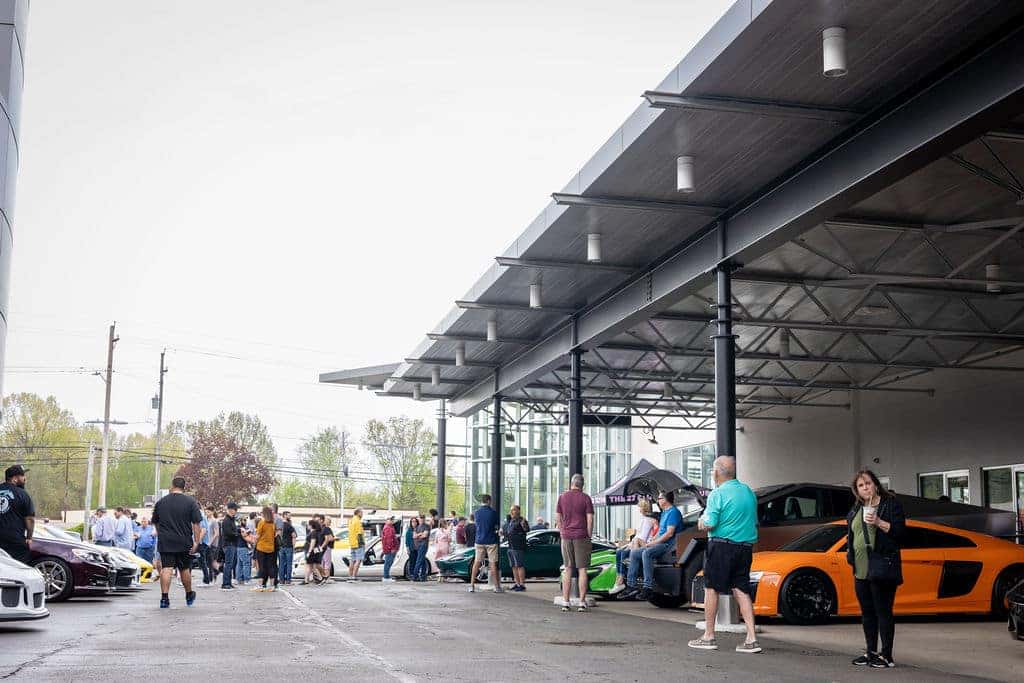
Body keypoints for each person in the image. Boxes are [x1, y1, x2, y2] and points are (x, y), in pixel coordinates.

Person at [688, 456, 761, 654]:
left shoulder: (717, 494)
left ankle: (708, 636)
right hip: (745, 547)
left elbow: (710, 523)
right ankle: (751, 638)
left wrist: (701, 521)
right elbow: (754, 521)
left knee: (712, 589)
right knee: (741, 589)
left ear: (716, 473)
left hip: (721, 546)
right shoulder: (748, 492)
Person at [847, 469, 906, 669]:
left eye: (868, 483)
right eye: (861, 485)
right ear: (856, 490)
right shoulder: (857, 508)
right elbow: (852, 534)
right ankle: (871, 652)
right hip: (861, 567)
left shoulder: (889, 504)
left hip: (882, 564)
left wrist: (879, 522)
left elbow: (901, 533)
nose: (865, 488)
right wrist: (850, 555)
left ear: (875, 484)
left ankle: (886, 655)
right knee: (867, 612)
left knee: (883, 611)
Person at [150, 476, 203, 608]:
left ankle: (164, 598)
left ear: (172, 486)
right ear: (184, 487)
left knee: (166, 568)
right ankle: (189, 594)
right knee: (184, 569)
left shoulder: (161, 502)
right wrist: (196, 542)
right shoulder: (191, 502)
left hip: (166, 541)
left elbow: (155, 522)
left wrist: (161, 534)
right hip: (183, 540)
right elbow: (196, 523)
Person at [619, 492, 681, 601]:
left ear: (666, 499)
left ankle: (648, 587)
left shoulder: (673, 512)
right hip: (659, 542)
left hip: (668, 544)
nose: (658, 500)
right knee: (634, 553)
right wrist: (653, 539)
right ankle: (631, 585)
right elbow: (661, 531)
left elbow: (669, 533)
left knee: (646, 553)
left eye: (660, 498)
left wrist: (654, 543)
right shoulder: (665, 512)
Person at [556, 474, 594, 612]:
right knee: (582, 569)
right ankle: (581, 603)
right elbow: (590, 519)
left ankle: (566, 602)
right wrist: (588, 535)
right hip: (581, 536)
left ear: (571, 483)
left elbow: (558, 517)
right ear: (582, 485)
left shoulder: (562, 497)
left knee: (567, 569)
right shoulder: (586, 498)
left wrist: (562, 532)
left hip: (566, 536)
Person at [610, 498, 656, 597]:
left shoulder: (648, 520)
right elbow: (637, 536)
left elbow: (642, 537)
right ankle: (620, 578)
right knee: (619, 551)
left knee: (623, 552)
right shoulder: (643, 519)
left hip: (643, 544)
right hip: (637, 542)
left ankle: (622, 581)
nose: (638, 509)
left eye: (640, 507)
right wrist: (628, 544)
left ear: (643, 508)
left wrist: (630, 545)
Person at [0, 465, 35, 564]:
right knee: (18, 568)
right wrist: (29, 538)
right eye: (22, 476)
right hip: (14, 542)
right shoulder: (22, 494)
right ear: (15, 478)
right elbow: (30, 519)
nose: (25, 478)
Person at [468, 494, 501, 594]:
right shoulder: (493, 513)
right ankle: (496, 587)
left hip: (479, 540)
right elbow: (496, 526)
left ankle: (472, 585)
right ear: (489, 501)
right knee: (492, 563)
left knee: (477, 562)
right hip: (491, 541)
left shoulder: (476, 512)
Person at [503, 505, 529, 592]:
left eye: (513, 510)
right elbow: (509, 532)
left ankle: (522, 585)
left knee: (519, 565)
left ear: (518, 511)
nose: (511, 512)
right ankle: (517, 583)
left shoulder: (521, 520)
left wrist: (524, 524)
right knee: (513, 566)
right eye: (511, 510)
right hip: (510, 546)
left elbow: (526, 530)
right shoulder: (511, 521)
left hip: (518, 547)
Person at [253, 505, 279, 592]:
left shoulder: (262, 522)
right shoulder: (273, 523)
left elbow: (258, 536)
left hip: (261, 547)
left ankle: (261, 586)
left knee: (261, 567)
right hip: (271, 548)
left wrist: (253, 539)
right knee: (271, 566)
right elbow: (274, 534)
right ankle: (272, 586)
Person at [219, 502, 241, 589]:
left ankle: (228, 582)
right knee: (228, 564)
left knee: (230, 564)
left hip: (232, 544)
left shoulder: (231, 520)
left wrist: (238, 531)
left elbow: (233, 531)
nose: (236, 511)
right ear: (231, 510)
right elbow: (228, 533)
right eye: (235, 509)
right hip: (229, 544)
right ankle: (225, 583)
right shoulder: (226, 520)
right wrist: (238, 534)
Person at [303, 518, 325, 585]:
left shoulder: (313, 533)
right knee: (310, 566)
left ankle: (321, 579)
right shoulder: (313, 532)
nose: (307, 526)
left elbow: (313, 542)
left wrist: (309, 552)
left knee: (312, 567)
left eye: (308, 525)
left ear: (311, 525)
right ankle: (306, 580)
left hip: (311, 552)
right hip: (311, 551)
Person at [347, 508, 366, 581]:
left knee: (352, 560)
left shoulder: (351, 520)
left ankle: (350, 576)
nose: (362, 514)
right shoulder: (358, 521)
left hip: (352, 543)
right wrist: (362, 544)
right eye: (361, 512)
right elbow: (359, 533)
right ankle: (354, 576)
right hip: (358, 543)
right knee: (358, 560)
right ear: (358, 513)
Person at [278, 510, 296, 585]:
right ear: (285, 515)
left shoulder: (279, 525)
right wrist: (293, 546)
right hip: (288, 546)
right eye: (289, 515)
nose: (290, 517)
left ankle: (281, 580)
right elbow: (294, 536)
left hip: (281, 547)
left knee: (281, 564)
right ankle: (288, 580)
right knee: (289, 564)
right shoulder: (289, 525)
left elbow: (278, 535)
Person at [412, 515, 431, 581]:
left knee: (421, 560)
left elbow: (424, 535)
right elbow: (414, 536)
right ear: (419, 519)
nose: (422, 519)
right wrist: (420, 534)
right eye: (421, 518)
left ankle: (419, 576)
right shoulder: (417, 527)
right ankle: (419, 576)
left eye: (423, 518)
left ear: (424, 519)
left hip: (423, 545)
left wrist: (418, 536)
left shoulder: (426, 526)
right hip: (418, 546)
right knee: (421, 560)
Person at [381, 514, 398, 582]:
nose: (392, 520)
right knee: (388, 563)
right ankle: (386, 577)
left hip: (389, 549)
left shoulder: (390, 527)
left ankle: (387, 576)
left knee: (388, 562)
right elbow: (389, 540)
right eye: (390, 519)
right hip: (389, 549)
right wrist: (392, 548)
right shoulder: (388, 528)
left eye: (392, 519)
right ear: (386, 520)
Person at [318, 515, 335, 580]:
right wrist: (335, 538)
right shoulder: (327, 529)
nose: (330, 522)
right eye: (329, 521)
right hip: (327, 547)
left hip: (321, 547)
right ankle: (327, 577)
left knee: (322, 563)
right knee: (327, 563)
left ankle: (322, 577)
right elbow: (329, 539)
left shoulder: (321, 528)